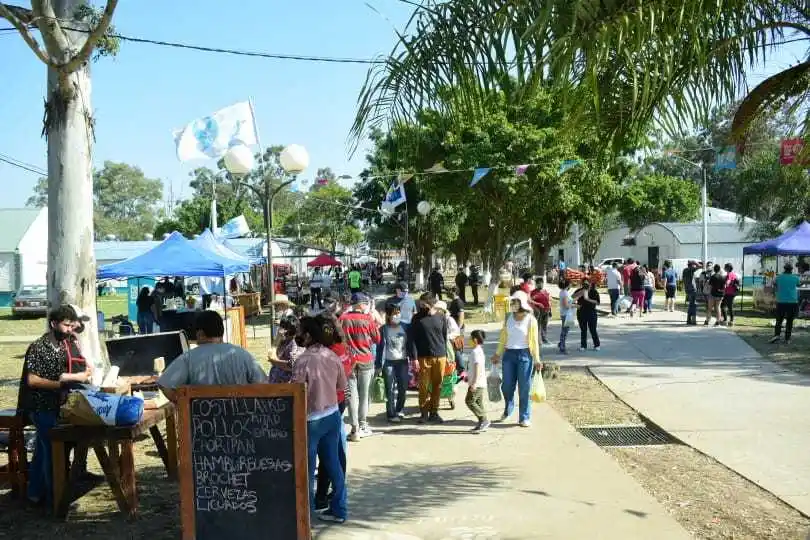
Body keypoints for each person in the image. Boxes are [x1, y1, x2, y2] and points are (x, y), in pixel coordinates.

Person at [18, 305, 93, 506]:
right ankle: (55, 498)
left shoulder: (62, 345)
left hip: (55, 405)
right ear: (54, 324)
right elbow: (32, 380)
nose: (70, 329)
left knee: (43, 451)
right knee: (53, 450)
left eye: (71, 325)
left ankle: (35, 493)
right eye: (66, 325)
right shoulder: (38, 347)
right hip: (38, 406)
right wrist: (60, 384)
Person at [291, 315, 348, 524]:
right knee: (334, 464)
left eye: (300, 331)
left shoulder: (302, 360)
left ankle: (307, 515)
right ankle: (340, 509)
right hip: (332, 415)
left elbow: (295, 392)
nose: (297, 335)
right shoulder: (331, 355)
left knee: (306, 469)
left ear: (307, 335)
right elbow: (341, 385)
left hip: (310, 420)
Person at [157, 311, 266, 401]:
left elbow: (164, 384)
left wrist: (183, 404)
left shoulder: (189, 358)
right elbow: (264, 385)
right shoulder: (242, 354)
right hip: (242, 422)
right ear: (221, 332)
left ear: (200, 334)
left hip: (201, 422)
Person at [491, 291, 541, 427]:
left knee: (524, 387)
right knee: (507, 386)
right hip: (509, 355)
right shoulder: (508, 318)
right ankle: (508, 408)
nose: (512, 304)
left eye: (515, 302)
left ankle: (524, 416)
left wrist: (537, 359)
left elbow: (535, 341)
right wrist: (497, 353)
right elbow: (503, 338)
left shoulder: (531, 320)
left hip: (525, 355)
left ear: (522, 304)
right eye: (512, 302)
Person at [338, 293, 380, 441]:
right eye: (366, 303)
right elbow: (377, 338)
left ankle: (354, 429)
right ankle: (363, 425)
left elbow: (337, 339)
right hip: (366, 360)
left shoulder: (343, 319)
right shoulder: (367, 319)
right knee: (364, 395)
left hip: (348, 362)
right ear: (361, 304)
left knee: (351, 396)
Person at [406, 292, 448, 423]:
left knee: (438, 385)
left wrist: (446, 355)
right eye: (421, 304)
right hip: (423, 358)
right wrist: (414, 358)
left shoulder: (441, 317)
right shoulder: (416, 318)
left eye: (423, 304)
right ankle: (424, 413)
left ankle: (434, 412)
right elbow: (411, 340)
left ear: (431, 304)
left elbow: (444, 337)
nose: (421, 306)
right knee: (423, 386)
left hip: (440, 356)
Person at [375, 304, 409, 422]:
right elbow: (379, 349)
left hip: (403, 361)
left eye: (398, 313)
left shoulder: (405, 327)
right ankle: (391, 414)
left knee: (403, 387)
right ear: (388, 315)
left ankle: (399, 409)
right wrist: (378, 365)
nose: (397, 315)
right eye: (394, 313)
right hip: (388, 362)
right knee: (389, 389)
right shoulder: (383, 329)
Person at [769, 262, 801, 344]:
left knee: (779, 319)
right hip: (793, 301)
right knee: (790, 320)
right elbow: (799, 284)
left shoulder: (778, 277)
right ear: (791, 270)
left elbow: (774, 285)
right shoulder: (795, 277)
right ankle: (787, 339)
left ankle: (776, 335)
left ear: (784, 269)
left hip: (781, 301)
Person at [267, 315, 304, 383]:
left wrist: (275, 361)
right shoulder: (283, 341)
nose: (281, 331)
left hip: (287, 387)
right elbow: (272, 355)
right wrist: (278, 339)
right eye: (281, 327)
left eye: (283, 328)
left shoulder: (296, 342)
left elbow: (292, 365)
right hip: (276, 384)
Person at [465, 329, 489, 433]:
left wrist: (474, 383)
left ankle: (484, 419)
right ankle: (481, 423)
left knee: (469, 401)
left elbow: (477, 367)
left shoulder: (476, 352)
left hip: (477, 384)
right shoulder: (478, 350)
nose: (469, 340)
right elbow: (472, 367)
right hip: (480, 383)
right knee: (478, 403)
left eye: (470, 338)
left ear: (475, 340)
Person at [574, 279, 601, 351]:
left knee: (593, 329)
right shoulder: (580, 291)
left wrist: (588, 299)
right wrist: (580, 293)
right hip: (581, 312)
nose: (586, 286)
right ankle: (583, 345)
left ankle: (597, 345)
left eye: (587, 284)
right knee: (583, 330)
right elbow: (572, 298)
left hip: (591, 312)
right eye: (584, 284)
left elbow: (597, 302)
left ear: (590, 284)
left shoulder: (594, 291)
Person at [529, 278, 551, 345]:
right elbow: (531, 302)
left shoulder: (545, 291)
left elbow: (548, 300)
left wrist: (550, 310)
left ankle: (544, 338)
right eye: (539, 283)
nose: (541, 284)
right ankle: (537, 339)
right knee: (538, 325)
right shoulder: (533, 292)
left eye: (542, 283)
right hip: (538, 311)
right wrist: (535, 309)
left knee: (544, 325)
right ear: (536, 284)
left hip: (546, 310)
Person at [558, 279, 573, 354]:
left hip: (566, 314)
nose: (571, 285)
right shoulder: (565, 293)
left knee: (564, 330)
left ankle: (561, 344)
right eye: (570, 283)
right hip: (566, 314)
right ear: (568, 285)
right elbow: (566, 305)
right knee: (565, 331)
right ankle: (562, 347)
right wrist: (575, 306)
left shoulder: (563, 292)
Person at [682, 260, 698, 325]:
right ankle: (693, 320)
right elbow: (701, 266)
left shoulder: (685, 270)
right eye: (693, 265)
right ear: (691, 265)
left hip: (688, 289)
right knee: (693, 305)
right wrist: (695, 262)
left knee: (691, 305)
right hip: (692, 290)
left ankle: (689, 319)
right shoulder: (690, 270)